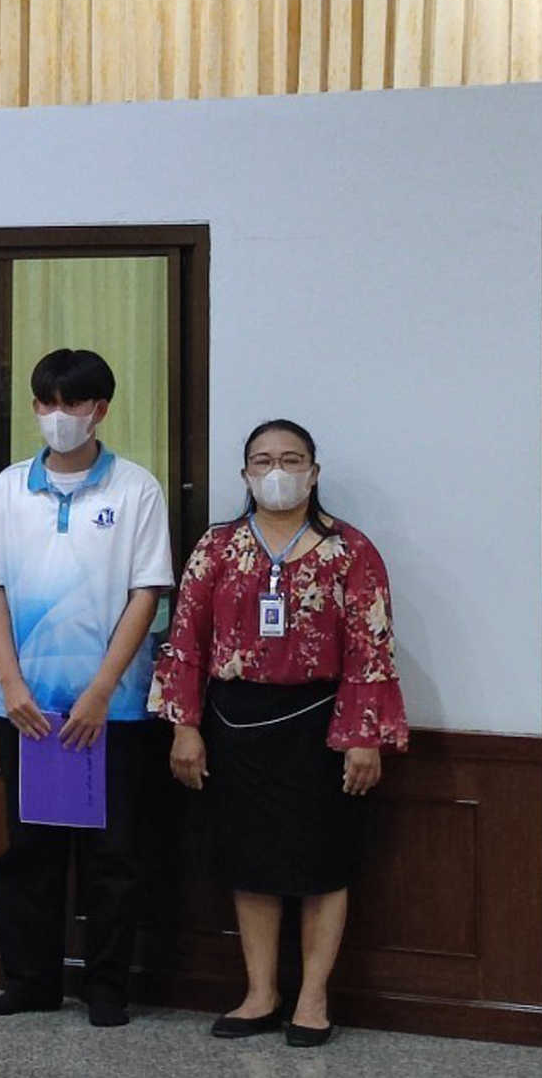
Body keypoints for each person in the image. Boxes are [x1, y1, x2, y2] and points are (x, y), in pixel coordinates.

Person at [150, 418, 408, 1048]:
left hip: (321, 726)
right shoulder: (216, 549)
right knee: (251, 862)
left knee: (322, 864)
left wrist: (364, 734)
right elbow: (184, 642)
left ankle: (313, 997)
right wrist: (186, 727)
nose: (277, 472)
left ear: (314, 473)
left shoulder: (350, 550)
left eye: (292, 460)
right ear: (245, 475)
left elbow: (370, 647)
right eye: (263, 461)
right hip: (235, 725)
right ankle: (260, 992)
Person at [0, 348, 173, 1028]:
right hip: (26, 707)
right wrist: (11, 682)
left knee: (112, 855)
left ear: (101, 410)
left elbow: (147, 592)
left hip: (110, 708)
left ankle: (108, 988)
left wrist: (102, 689)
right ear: (35, 408)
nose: (60, 416)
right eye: (48, 402)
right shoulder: (6, 489)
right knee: (29, 849)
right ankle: (30, 979)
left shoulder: (136, 489)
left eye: (74, 403)